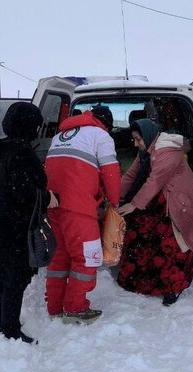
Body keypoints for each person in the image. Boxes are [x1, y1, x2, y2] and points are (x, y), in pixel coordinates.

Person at [118, 118, 193, 306]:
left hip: (180, 203)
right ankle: (141, 281)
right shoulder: (147, 150)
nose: (135, 143)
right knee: (140, 236)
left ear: (147, 136)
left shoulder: (167, 151)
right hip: (160, 200)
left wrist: (133, 204)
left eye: (137, 139)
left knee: (173, 245)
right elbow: (131, 175)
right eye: (133, 139)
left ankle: (173, 287)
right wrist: (115, 195)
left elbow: (155, 181)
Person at [0, 102, 57, 344]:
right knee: (15, 277)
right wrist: (48, 197)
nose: (38, 129)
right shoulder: (21, 153)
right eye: (35, 125)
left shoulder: (6, 148)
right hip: (15, 224)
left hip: (3, 220)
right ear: (26, 125)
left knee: (6, 275)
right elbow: (23, 192)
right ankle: (10, 329)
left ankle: (3, 322)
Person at [44, 106, 121, 324]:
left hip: (53, 204)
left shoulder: (59, 136)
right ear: (105, 123)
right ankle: (75, 308)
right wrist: (114, 203)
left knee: (60, 255)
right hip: (78, 205)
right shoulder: (101, 135)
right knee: (87, 257)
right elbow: (111, 172)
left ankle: (55, 306)